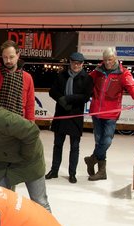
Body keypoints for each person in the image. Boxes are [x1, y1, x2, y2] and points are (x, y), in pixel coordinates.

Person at [85, 47, 134, 181]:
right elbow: (84, 81)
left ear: (115, 58)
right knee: (99, 141)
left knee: (107, 140)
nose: (107, 63)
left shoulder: (123, 73)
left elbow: (132, 87)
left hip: (111, 113)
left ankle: (92, 159)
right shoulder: (97, 72)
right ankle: (101, 172)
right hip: (97, 111)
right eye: (105, 60)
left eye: (110, 60)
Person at [45, 52, 93, 183]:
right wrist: (60, 99)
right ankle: (54, 170)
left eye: (78, 63)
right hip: (61, 114)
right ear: (70, 63)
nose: (76, 65)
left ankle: (72, 173)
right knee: (57, 145)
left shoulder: (87, 78)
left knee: (75, 147)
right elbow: (52, 91)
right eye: (73, 62)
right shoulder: (62, 75)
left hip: (75, 116)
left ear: (82, 64)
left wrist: (68, 99)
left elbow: (85, 97)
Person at [0, 40, 35, 120]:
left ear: (18, 55)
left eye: (11, 57)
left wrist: (31, 124)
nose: (8, 61)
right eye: (5, 57)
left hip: (19, 122)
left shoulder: (27, 78)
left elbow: (30, 105)